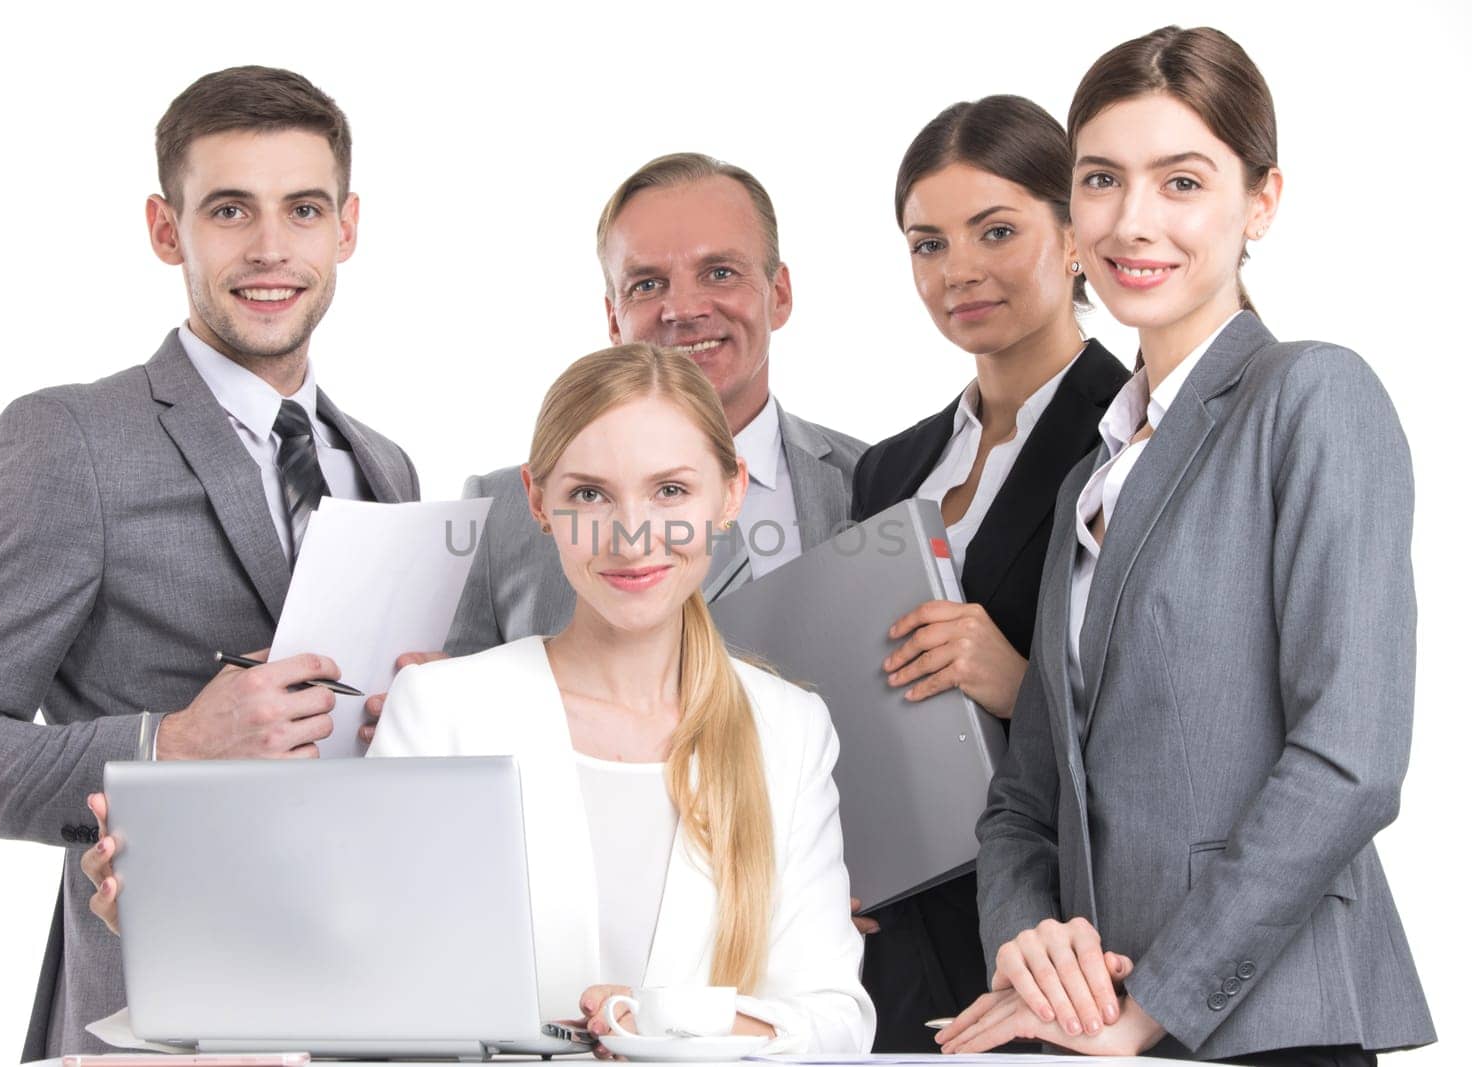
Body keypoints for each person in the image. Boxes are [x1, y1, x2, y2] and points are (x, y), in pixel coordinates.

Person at [87, 344, 876, 1053]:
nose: (632, 533)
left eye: (671, 490)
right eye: (591, 495)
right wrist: (176, 931)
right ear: (537, 501)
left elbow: (836, 1016)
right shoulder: (445, 707)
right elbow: (356, 982)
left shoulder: (788, 728)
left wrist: (661, 1022)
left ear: (730, 493)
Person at [0, 67, 419, 1059]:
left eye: (301, 208)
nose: (269, 248)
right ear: (166, 229)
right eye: (228, 209)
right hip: (157, 1017)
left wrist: (419, 721)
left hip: (368, 1005)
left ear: (346, 227)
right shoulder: (71, 440)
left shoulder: (381, 462)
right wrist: (169, 742)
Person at [941, 26, 1436, 1064]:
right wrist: (1028, 946)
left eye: (1181, 181)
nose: (1133, 221)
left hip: (1266, 1023)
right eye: (1101, 179)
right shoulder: (1091, 470)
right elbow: (1024, 797)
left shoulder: (1311, 396)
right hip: (1097, 1028)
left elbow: (1350, 758)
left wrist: (1152, 1000)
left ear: (1259, 202)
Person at [847, 96, 1129, 1052]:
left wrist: (1020, 683)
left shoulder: (1134, 435)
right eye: (927, 244)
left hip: (1066, 927)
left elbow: (1193, 715)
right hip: (900, 926)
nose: (957, 270)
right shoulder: (889, 468)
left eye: (995, 231)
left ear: (1076, 235)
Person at [433, 153, 865, 665]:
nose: (683, 309)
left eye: (720, 272)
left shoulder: (876, 483)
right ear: (614, 318)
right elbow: (457, 711)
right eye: (646, 285)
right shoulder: (498, 511)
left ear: (780, 294)